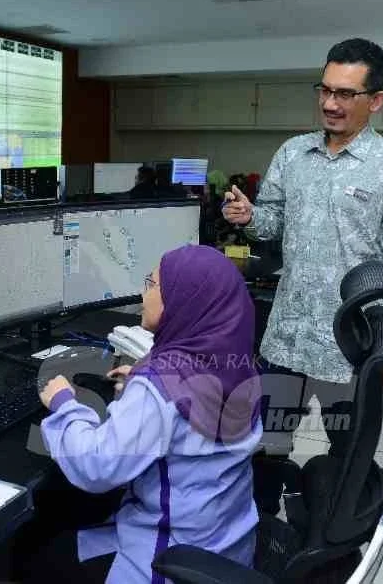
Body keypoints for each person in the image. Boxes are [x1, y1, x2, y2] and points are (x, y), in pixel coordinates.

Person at [222, 38, 383, 459]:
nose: (330, 104)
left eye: (346, 94)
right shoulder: (293, 153)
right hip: (285, 339)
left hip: (349, 351)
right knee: (263, 449)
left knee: (349, 462)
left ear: (376, 101)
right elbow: (273, 223)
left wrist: (381, 345)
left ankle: (337, 524)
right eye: (325, 90)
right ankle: (261, 521)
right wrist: (250, 218)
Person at [29, 244, 263, 584]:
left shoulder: (160, 386)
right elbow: (187, 412)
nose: (144, 292)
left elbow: (96, 466)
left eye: (152, 284)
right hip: (226, 544)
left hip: (170, 559)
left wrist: (64, 403)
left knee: (35, 554)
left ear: (184, 302)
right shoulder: (239, 365)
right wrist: (144, 387)